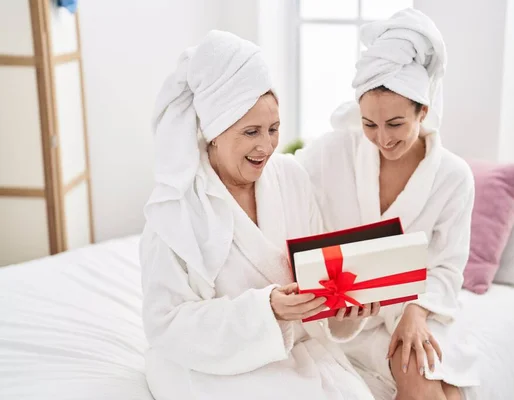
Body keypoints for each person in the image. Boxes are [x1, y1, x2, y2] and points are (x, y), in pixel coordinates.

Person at [139, 30, 377, 400]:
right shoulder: (176, 208)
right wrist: (266, 311)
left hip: (292, 348)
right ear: (214, 132)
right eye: (251, 132)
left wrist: (345, 310)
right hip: (207, 363)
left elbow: (317, 272)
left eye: (273, 129)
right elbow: (165, 324)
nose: (265, 146)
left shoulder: (291, 177)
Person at [296, 9, 479, 400]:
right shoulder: (331, 152)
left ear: (423, 111)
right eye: (369, 124)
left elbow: (448, 266)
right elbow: (279, 186)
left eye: (396, 124)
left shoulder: (453, 176)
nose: (382, 139)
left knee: (421, 371)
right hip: (348, 315)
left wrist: (417, 311)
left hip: (417, 308)